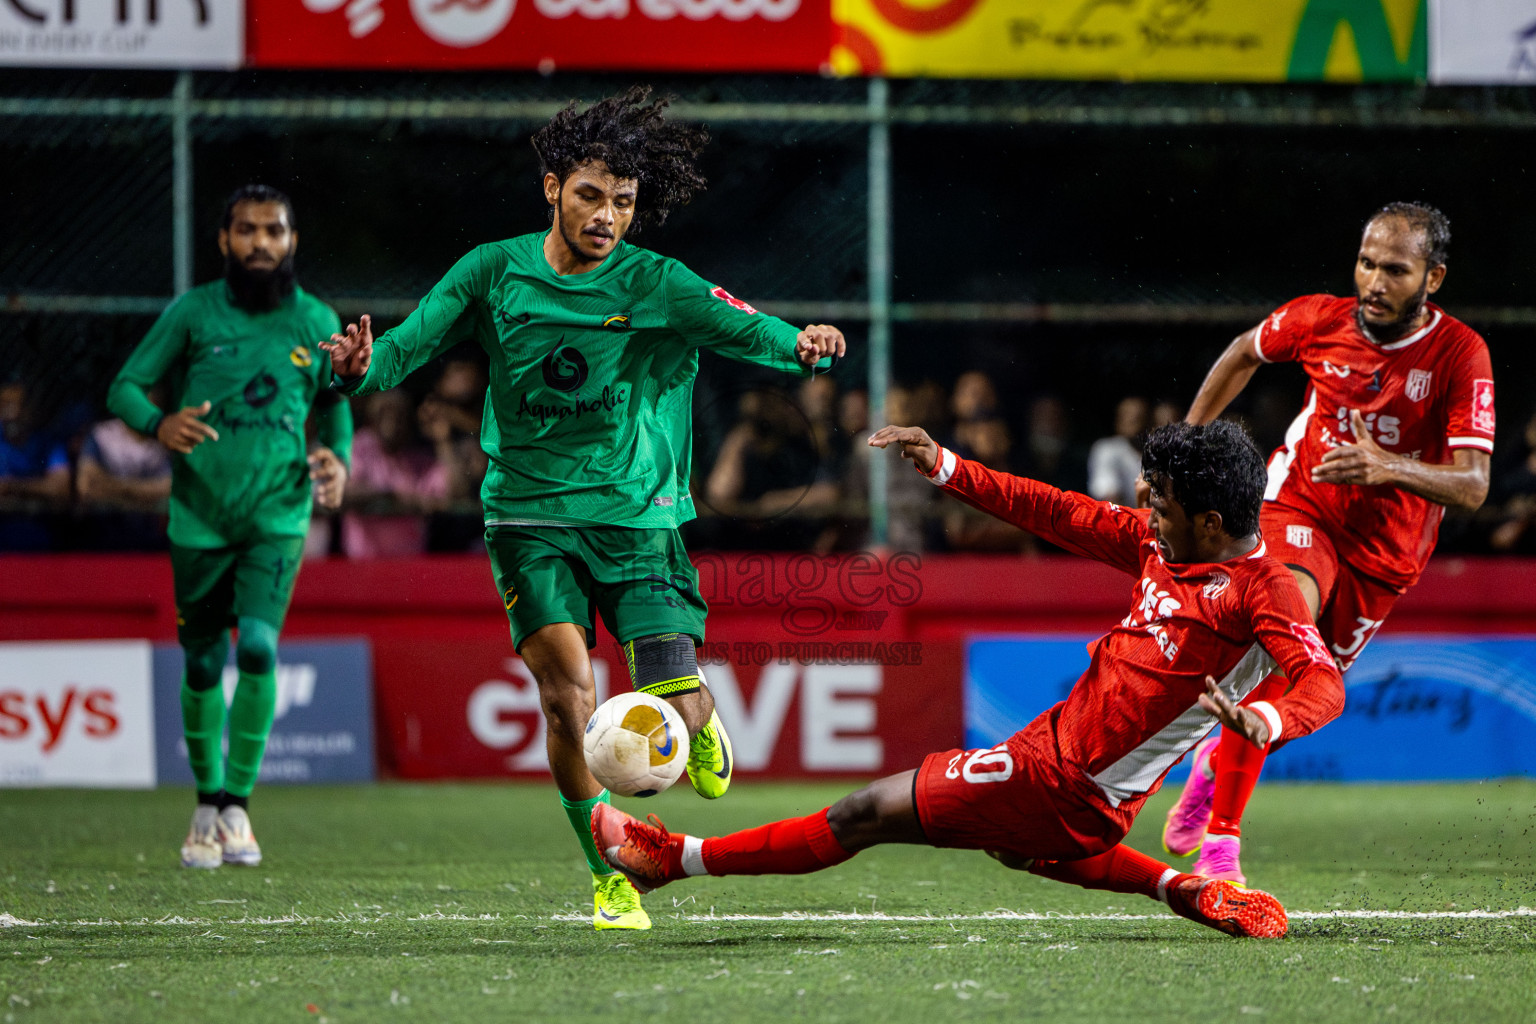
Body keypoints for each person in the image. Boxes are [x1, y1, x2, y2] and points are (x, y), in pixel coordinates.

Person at [320, 87, 846, 932]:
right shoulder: (493, 271)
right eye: (592, 196)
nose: (607, 217)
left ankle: (697, 715)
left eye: (624, 202)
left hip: (637, 518)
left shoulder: (656, 282)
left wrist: (805, 347)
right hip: (528, 518)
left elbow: (749, 329)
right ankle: (611, 874)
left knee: (676, 701)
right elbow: (404, 350)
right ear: (552, 189)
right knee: (568, 698)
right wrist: (357, 370)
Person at [592, 419, 1344, 939]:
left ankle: (674, 859)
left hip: (1071, 785)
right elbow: (1052, 509)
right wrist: (945, 465)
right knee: (1011, 846)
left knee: (863, 812)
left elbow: (1322, 681)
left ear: (1211, 522)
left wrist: (1270, 720)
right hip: (1058, 751)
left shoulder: (1261, 591)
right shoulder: (1163, 547)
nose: (1146, 514)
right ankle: (1183, 888)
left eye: (1162, 505)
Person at [1161, 202, 1494, 884]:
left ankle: (1212, 766)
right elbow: (1244, 352)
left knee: (1303, 691)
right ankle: (1223, 846)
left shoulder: (1461, 354)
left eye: (1395, 270)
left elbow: (1473, 485)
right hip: (1300, 506)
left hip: (1387, 552)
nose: (1374, 281)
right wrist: (1184, 445)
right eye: (1366, 263)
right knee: (1282, 634)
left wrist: (1387, 467)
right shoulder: (1320, 319)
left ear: (1432, 278)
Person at [107, 184, 353, 870]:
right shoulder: (194, 312)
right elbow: (124, 387)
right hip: (199, 517)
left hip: (278, 514)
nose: (260, 243)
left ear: (292, 240)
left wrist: (338, 458)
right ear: (224, 240)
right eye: (247, 230)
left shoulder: (315, 320)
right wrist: (158, 422)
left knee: (260, 651)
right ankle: (206, 805)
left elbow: (336, 403)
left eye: (273, 230)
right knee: (202, 661)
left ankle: (237, 808)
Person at [0, 377, 71, 551]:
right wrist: (38, 488)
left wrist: (10, 487)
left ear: (30, 409)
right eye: (4, 405)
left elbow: (60, 488)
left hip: (41, 532)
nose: (11, 414)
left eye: (17, 405)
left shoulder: (48, 442)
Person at [1087, 396, 1151, 505]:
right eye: (1128, 416)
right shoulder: (1107, 449)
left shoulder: (1154, 454)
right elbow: (1109, 499)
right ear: (1118, 421)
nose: (1133, 421)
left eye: (1139, 418)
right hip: (1120, 514)